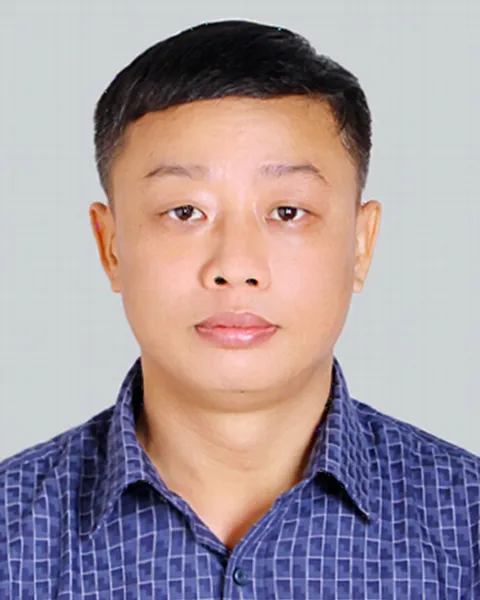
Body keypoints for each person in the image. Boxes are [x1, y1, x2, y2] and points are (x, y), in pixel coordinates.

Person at [0, 19, 478, 600]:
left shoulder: (468, 527)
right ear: (111, 247)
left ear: (361, 245)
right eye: (185, 212)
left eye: (287, 212)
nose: (236, 266)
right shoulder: (10, 534)